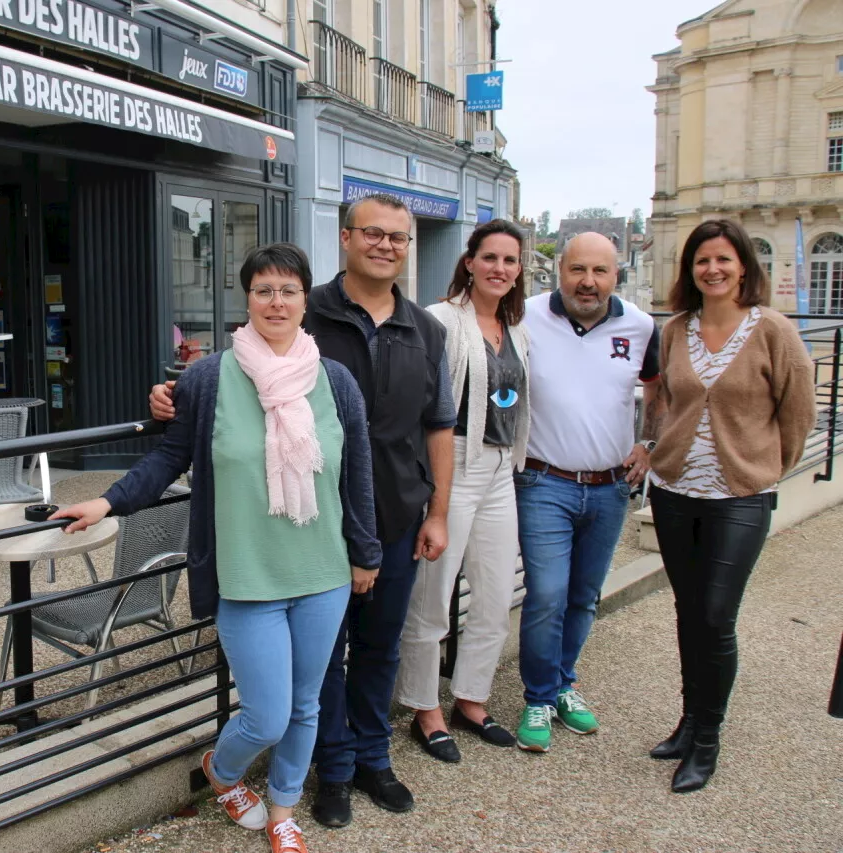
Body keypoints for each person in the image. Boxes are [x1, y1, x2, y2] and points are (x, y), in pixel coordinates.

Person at [54, 243, 381, 853]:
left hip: (324, 572)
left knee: (307, 703)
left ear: (304, 298)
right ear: (247, 299)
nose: (276, 302)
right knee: (267, 714)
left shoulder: (335, 380)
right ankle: (222, 771)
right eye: (263, 290)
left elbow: (356, 473)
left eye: (288, 290)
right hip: (246, 575)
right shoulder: (208, 378)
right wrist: (105, 502)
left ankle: (283, 810)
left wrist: (366, 554)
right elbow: (167, 457)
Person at [150, 194, 456, 827]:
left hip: (389, 514)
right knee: (317, 675)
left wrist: (439, 511)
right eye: (372, 233)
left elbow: (438, 425)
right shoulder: (306, 306)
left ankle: (373, 761)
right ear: (345, 239)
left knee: (379, 651)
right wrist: (168, 396)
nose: (385, 245)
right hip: (307, 533)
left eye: (398, 237)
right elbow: (232, 380)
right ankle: (334, 773)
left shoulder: (425, 329)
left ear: (409, 247)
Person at [645, 218, 814, 793]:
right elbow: (665, 399)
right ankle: (689, 722)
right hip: (673, 494)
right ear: (690, 271)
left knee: (716, 617)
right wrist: (657, 448)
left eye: (723, 259)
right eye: (701, 261)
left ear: (744, 265)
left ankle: (708, 741)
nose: (712, 270)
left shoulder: (772, 330)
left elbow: (798, 413)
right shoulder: (676, 329)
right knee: (689, 613)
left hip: (740, 498)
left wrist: (763, 469)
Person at [514, 232, 662, 753]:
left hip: (609, 487)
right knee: (548, 594)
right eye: (578, 269)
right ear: (561, 271)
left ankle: (562, 686)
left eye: (600, 271)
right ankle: (537, 696)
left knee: (583, 597)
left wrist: (649, 442)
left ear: (616, 275)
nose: (588, 281)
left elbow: (658, 386)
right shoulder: (526, 315)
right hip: (543, 481)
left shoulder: (641, 325)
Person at [394, 219, 530, 762]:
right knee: (433, 597)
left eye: (510, 261)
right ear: (469, 261)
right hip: (453, 471)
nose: (500, 268)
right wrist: (436, 499)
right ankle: (424, 708)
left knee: (496, 596)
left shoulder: (517, 327)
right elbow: (426, 408)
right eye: (490, 257)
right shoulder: (440, 320)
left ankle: (470, 698)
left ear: (520, 271)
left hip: (502, 471)